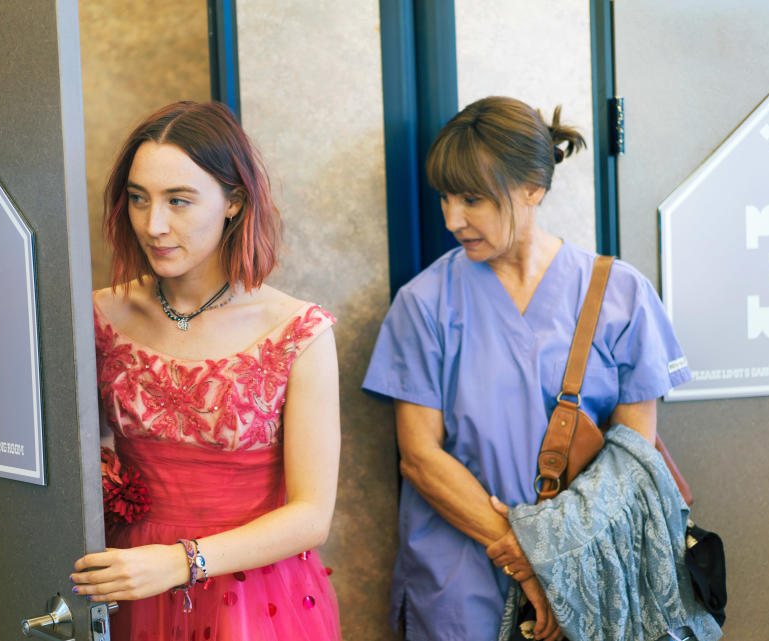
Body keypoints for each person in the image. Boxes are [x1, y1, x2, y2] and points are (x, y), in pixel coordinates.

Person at [362, 96, 692, 641]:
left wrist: (556, 560)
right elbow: (420, 457)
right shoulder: (424, 304)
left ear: (533, 188)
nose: (452, 219)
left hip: (589, 573)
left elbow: (632, 460)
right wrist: (530, 560)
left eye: (473, 198)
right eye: (445, 197)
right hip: (460, 576)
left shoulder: (620, 293)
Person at [71, 101, 342, 641]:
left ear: (234, 202)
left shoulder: (298, 332)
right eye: (138, 199)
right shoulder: (98, 315)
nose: (155, 224)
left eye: (179, 201)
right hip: (127, 578)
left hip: (253, 592)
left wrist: (179, 562)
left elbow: (312, 515)